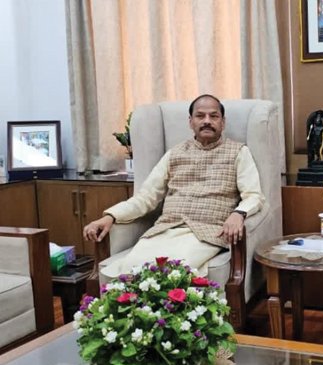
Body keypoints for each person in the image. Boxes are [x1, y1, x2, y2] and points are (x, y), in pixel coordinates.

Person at [83, 94, 264, 283]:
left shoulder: (239, 152)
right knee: (133, 267)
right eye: (200, 116)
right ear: (190, 122)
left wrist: (238, 213)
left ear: (223, 122)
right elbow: (145, 198)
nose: (207, 121)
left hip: (207, 233)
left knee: (174, 270)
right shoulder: (174, 154)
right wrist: (110, 216)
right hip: (166, 229)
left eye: (214, 116)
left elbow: (253, 195)